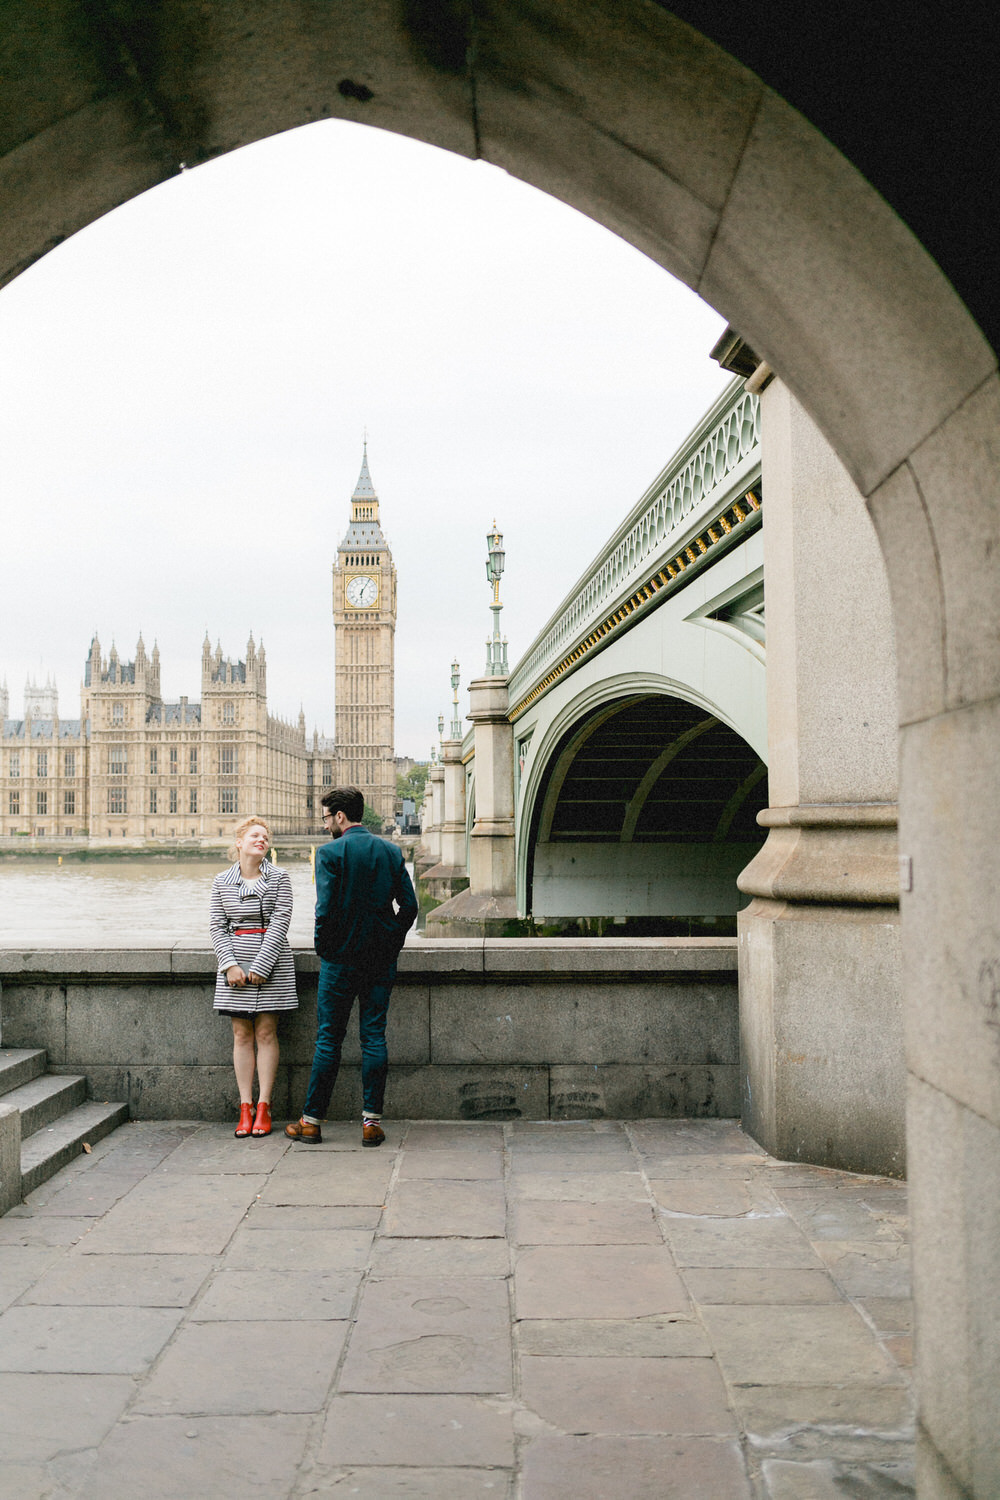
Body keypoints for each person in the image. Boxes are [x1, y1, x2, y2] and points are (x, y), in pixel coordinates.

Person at [286, 785, 417, 1147]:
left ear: (340, 817)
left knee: (329, 1039)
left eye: (327, 817)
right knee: (374, 1036)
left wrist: (325, 948)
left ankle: (311, 1122)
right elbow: (409, 907)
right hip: (379, 960)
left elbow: (324, 910)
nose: (326, 824)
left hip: (340, 960)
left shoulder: (329, 854)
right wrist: (390, 940)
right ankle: (371, 1123)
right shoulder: (391, 852)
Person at [210, 815, 297, 1138]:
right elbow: (217, 926)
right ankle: (244, 1106)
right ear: (239, 842)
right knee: (241, 1035)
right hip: (234, 961)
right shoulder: (221, 881)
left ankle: (264, 1105)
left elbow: (280, 922)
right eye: (254, 836)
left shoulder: (280, 877)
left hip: (271, 962)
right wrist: (230, 965)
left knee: (265, 1032)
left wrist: (262, 965)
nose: (261, 840)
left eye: (265, 837)